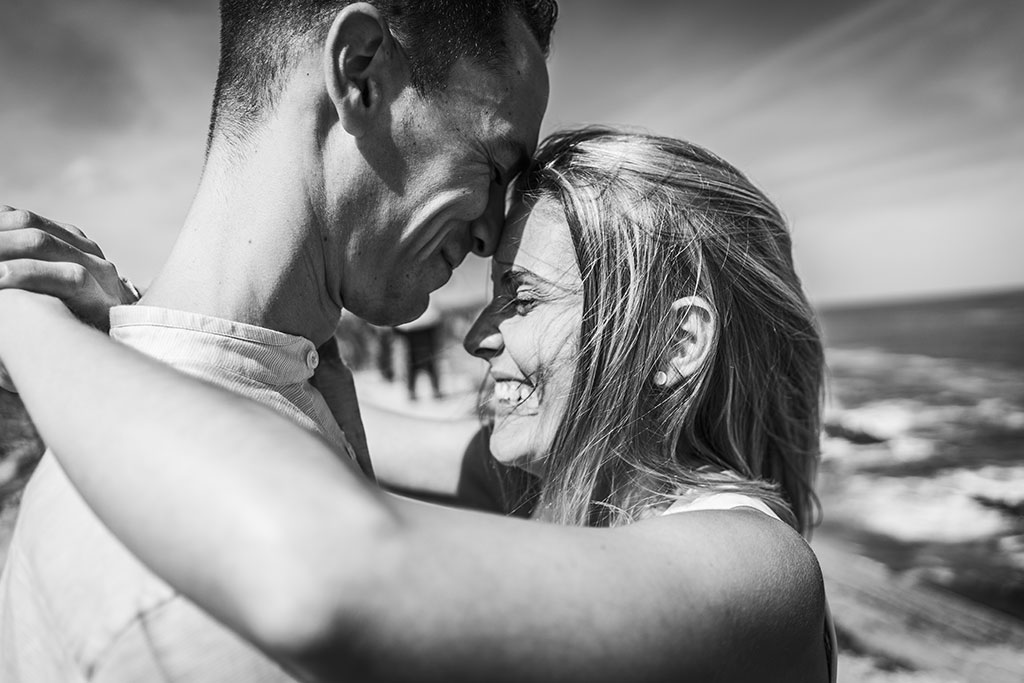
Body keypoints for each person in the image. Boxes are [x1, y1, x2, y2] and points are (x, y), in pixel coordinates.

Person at [0, 128, 837, 682]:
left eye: (522, 295)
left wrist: (23, 323)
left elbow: (332, 572)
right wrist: (130, 313)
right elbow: (254, 383)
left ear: (676, 344)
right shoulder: (577, 490)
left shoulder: (756, 570)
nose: (477, 335)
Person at [0, 1, 555, 680]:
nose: (491, 235)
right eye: (495, 169)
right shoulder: (203, 570)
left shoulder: (270, 383)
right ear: (359, 76)